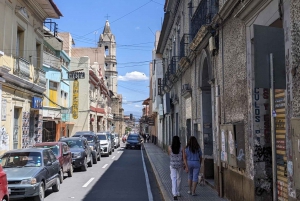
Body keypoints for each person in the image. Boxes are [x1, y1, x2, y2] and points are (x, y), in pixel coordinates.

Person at [168, 136, 187, 200]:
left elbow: (169, 154)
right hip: (180, 165)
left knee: (174, 179)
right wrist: (186, 166)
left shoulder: (170, 147)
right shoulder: (182, 148)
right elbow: (184, 158)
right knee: (179, 178)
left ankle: (174, 193)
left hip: (173, 165)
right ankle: (178, 191)